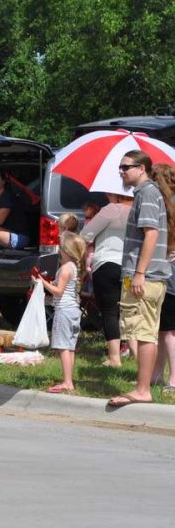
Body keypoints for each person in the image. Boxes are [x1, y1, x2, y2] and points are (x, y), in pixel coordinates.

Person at [108, 150, 172, 407]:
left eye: (126, 167)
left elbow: (151, 234)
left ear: (142, 168)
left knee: (143, 333)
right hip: (153, 276)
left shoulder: (146, 193)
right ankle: (145, 385)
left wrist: (139, 273)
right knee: (147, 332)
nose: (121, 172)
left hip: (145, 277)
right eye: (120, 168)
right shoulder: (149, 193)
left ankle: (142, 390)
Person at [81, 192, 133, 367]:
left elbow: (85, 234)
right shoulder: (137, 210)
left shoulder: (110, 210)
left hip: (106, 266)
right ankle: (134, 353)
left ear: (113, 193)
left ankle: (114, 357)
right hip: (129, 269)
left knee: (110, 311)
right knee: (128, 310)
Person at [40, 232, 87, 394]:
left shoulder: (66, 268)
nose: (59, 250)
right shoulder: (73, 267)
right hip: (73, 309)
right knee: (70, 347)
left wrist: (43, 283)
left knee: (63, 347)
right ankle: (69, 379)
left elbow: (59, 291)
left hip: (64, 310)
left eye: (61, 247)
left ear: (66, 251)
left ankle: (67, 382)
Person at [152, 164, 175, 393]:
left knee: (167, 330)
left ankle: (173, 380)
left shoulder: (164, 207)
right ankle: (157, 374)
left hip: (168, 270)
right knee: (162, 329)